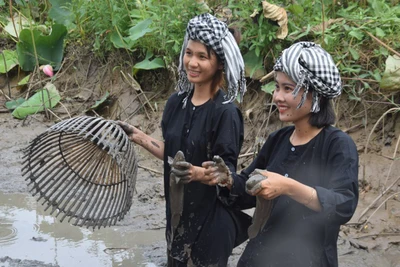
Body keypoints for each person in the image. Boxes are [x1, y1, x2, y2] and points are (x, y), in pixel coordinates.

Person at [203, 41, 359, 267]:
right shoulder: (278, 139)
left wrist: (287, 187)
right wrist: (227, 180)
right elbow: (248, 190)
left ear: (316, 94)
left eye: (288, 89)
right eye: (277, 87)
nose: (277, 97)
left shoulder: (338, 145)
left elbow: (343, 204)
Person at [118, 13, 250, 266]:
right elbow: (174, 152)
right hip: (178, 213)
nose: (192, 62)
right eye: (189, 53)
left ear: (220, 63)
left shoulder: (225, 112)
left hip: (211, 220)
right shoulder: (176, 103)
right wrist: (137, 135)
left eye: (202, 57)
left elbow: (226, 174)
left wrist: (198, 173)